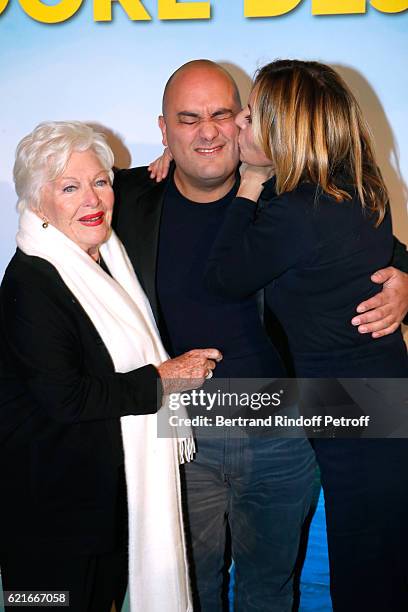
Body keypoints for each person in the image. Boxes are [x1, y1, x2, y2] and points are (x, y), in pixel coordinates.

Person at [113, 60, 408, 611]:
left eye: (224, 115)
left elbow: (376, 248)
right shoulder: (126, 199)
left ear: (248, 122)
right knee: (187, 591)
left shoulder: (289, 193)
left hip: (284, 429)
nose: (208, 131)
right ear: (163, 129)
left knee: (275, 591)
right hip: (181, 435)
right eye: (188, 119)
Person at [205, 59, 408, 611]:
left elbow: (224, 277)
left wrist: (247, 183)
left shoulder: (295, 213)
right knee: (382, 559)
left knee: (367, 566)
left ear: (282, 129)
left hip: (351, 404)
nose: (240, 125)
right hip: (378, 394)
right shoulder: (356, 189)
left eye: (251, 116)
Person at [0, 121, 221, 612]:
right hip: (48, 523)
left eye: (101, 181)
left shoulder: (104, 260)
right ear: (37, 202)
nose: (92, 199)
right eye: (70, 187)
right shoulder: (31, 283)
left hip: (104, 508)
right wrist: (163, 380)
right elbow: (67, 398)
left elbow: (176, 176)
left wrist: (175, 155)